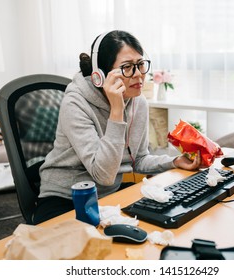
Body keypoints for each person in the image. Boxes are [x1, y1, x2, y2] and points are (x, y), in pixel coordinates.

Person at [32, 30, 203, 224]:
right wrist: (116, 111)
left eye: (140, 65)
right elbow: (103, 175)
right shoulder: (75, 103)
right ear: (100, 76)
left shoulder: (138, 102)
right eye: (127, 67)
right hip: (65, 199)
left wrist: (174, 162)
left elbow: (137, 159)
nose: (138, 75)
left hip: (108, 196)